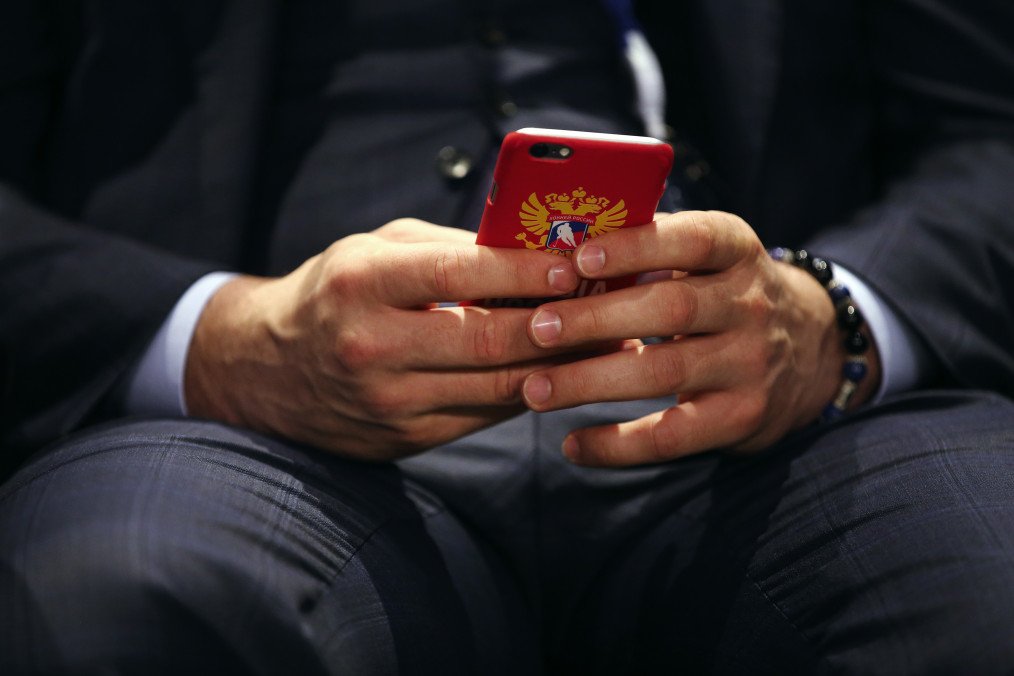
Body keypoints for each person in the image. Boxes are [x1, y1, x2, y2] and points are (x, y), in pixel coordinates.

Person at [1, 0, 1013, 673]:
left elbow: (989, 135)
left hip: (776, 429)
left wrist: (830, 319)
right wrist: (222, 340)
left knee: (988, 573)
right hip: (258, 438)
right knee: (120, 588)